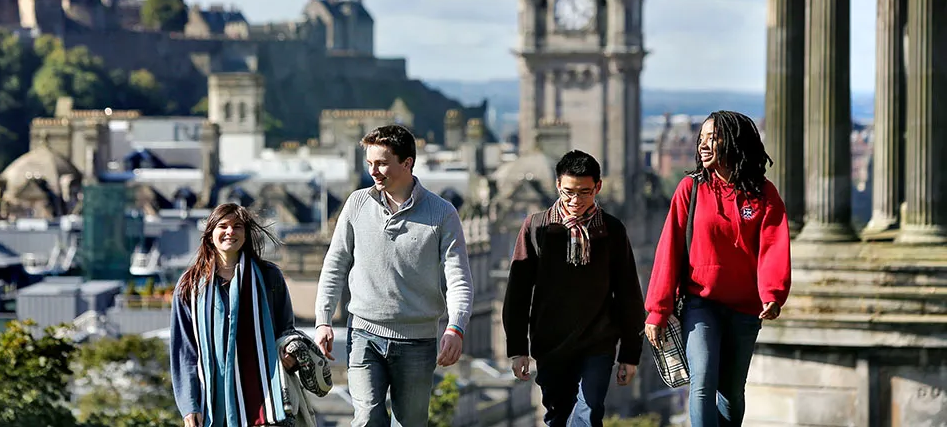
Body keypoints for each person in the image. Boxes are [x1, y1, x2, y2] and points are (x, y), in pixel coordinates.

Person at [313, 124, 474, 427]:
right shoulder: (357, 204)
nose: (373, 171)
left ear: (407, 162)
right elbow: (334, 264)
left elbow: (459, 278)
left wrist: (456, 327)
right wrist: (323, 319)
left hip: (417, 341)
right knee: (366, 419)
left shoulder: (442, 214)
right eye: (370, 163)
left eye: (382, 163)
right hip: (363, 334)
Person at [644, 110, 792, 427]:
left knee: (730, 392)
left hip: (745, 306)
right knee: (702, 380)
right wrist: (657, 309)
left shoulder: (764, 195)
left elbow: (773, 247)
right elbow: (669, 249)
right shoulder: (690, 189)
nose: (705, 145)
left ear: (735, 142)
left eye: (715, 137)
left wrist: (773, 294)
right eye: (703, 138)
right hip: (701, 302)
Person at [502, 150, 646, 427]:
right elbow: (518, 292)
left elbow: (628, 294)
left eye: (584, 192)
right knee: (558, 417)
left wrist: (630, 354)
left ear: (598, 187)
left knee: (588, 415)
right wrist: (518, 348)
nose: (576, 201)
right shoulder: (536, 227)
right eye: (568, 192)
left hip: (598, 344)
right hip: (551, 344)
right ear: (558, 185)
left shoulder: (611, 230)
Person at [170, 203, 300, 427]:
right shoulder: (189, 285)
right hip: (212, 402)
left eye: (237, 226)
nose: (230, 232)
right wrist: (189, 405)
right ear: (210, 234)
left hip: (264, 399)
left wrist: (289, 352)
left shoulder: (270, 277)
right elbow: (184, 351)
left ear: (246, 234)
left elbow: (286, 328)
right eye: (223, 226)